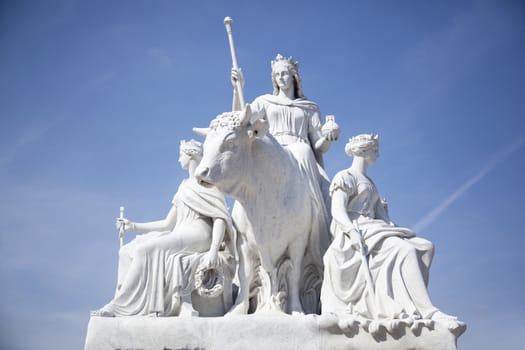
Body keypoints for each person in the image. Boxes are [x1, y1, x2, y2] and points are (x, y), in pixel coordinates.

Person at [320, 134, 461, 330]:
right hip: (356, 228)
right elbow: (337, 210)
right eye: (375, 150)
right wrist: (351, 231)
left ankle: (406, 302)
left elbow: (383, 219)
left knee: (425, 247)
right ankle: (427, 310)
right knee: (405, 250)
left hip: (376, 228)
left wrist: (387, 217)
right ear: (363, 150)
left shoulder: (370, 183)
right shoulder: (345, 176)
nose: (377, 154)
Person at [92, 139, 234, 317]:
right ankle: (125, 299)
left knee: (147, 250)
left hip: (199, 233)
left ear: (190, 156)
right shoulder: (183, 187)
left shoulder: (209, 185)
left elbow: (220, 218)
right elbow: (167, 224)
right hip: (181, 232)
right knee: (129, 250)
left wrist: (213, 250)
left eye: (180, 155)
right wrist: (132, 226)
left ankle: (120, 306)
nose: (178, 160)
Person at [231, 54, 335, 261]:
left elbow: (318, 146)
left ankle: (326, 238)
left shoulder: (309, 108)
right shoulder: (264, 102)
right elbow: (239, 121)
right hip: (271, 153)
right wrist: (237, 89)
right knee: (242, 197)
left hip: (302, 157)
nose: (281, 78)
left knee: (329, 195)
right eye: (277, 74)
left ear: (294, 76)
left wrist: (330, 137)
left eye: (285, 73)